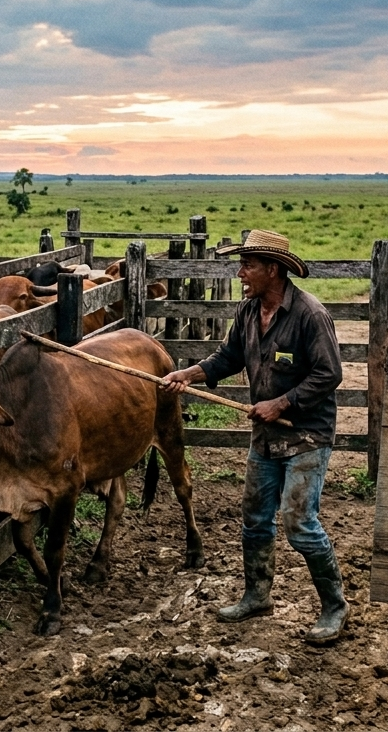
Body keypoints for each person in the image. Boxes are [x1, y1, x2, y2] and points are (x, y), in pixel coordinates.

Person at [162, 229, 348, 644]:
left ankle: (334, 606)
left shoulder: (310, 315)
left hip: (305, 436)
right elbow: (228, 358)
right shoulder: (248, 312)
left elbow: (329, 373)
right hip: (265, 438)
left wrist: (281, 403)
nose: (240, 272)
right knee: (255, 519)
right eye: (241, 264)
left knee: (299, 522)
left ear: (274, 269)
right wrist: (186, 374)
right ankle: (257, 595)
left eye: (248, 265)